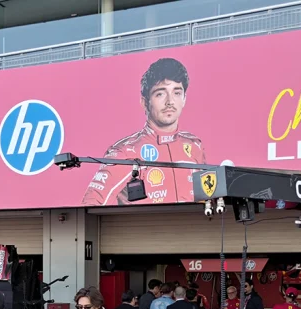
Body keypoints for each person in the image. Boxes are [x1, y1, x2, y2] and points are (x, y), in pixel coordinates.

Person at [82, 57, 209, 206]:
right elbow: (91, 202)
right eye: (160, 94)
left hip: (193, 228)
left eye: (177, 92)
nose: (170, 101)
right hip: (147, 228)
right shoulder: (125, 151)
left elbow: (207, 195)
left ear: (184, 98)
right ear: (144, 102)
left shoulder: (194, 145)